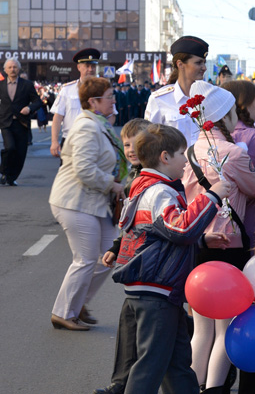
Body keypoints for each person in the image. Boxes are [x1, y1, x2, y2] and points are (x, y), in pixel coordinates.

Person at [111, 123, 232, 394]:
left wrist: (202, 240)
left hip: (157, 290)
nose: (185, 163)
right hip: (156, 290)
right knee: (151, 364)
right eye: (181, 155)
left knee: (177, 363)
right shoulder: (159, 191)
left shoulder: (144, 186)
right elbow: (180, 229)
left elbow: (158, 235)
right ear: (165, 157)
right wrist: (212, 196)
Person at [182, 81, 255, 393]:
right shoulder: (232, 153)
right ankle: (213, 389)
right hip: (229, 247)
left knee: (201, 330)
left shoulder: (190, 151)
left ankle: (191, 386)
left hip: (199, 245)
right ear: (224, 116)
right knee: (225, 328)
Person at [49, 77, 127, 331]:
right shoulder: (87, 126)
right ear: (93, 102)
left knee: (109, 255)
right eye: (109, 96)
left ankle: (78, 303)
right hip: (75, 201)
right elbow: (84, 169)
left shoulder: (98, 124)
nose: (113, 100)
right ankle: (64, 312)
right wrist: (113, 185)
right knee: (85, 259)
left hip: (93, 203)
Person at [95, 118, 152, 394]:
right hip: (136, 262)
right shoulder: (134, 177)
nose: (130, 150)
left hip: (152, 264)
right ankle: (121, 382)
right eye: (126, 144)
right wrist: (116, 247)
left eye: (136, 144)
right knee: (132, 321)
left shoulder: (154, 180)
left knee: (149, 326)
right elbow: (129, 224)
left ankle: (123, 384)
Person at [145, 35, 209, 147]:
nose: (204, 68)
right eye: (199, 63)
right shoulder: (159, 100)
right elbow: (149, 142)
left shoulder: (209, 96)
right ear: (180, 64)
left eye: (204, 62)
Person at [0, 58, 43, 186]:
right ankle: (4, 171)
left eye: (15, 67)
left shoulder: (27, 85)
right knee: (10, 147)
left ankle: (11, 177)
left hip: (22, 123)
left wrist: (29, 108)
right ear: (5, 70)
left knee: (20, 153)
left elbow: (38, 102)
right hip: (6, 123)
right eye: (10, 67)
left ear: (18, 69)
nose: (12, 69)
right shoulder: (1, 85)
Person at [50, 48, 100, 157]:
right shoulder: (67, 89)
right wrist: (54, 141)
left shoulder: (103, 89)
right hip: (70, 141)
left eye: (93, 66)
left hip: (94, 141)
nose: (91, 69)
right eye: (87, 66)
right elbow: (58, 117)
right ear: (79, 67)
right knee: (67, 168)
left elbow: (111, 115)